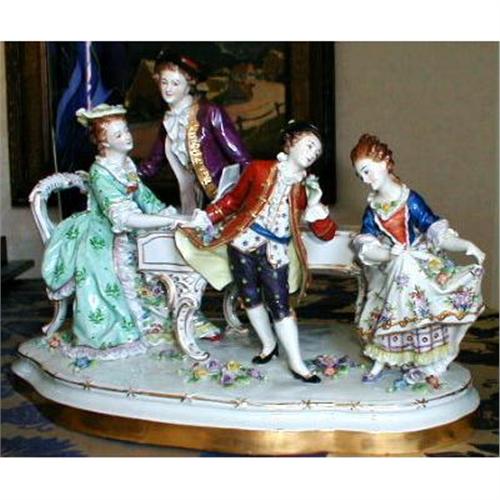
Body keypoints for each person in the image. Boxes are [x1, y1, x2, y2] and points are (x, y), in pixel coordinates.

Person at [42, 104, 208, 360]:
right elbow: (123, 217)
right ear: (104, 143)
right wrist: (171, 221)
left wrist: (177, 217)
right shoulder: (100, 173)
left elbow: (146, 199)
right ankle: (120, 330)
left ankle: (166, 320)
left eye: (126, 131)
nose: (127, 137)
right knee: (107, 278)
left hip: (128, 231)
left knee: (157, 257)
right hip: (103, 237)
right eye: (118, 134)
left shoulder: (126, 165)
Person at [176, 121, 337, 383]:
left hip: (276, 250)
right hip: (242, 242)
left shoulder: (308, 189)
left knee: (280, 304)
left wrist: (318, 215)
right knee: (249, 296)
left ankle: (296, 362)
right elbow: (233, 201)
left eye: (317, 152)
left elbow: (326, 233)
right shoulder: (259, 169)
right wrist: (208, 216)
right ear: (290, 142)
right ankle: (268, 344)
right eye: (309, 145)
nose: (312, 154)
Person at [351, 133, 485, 384]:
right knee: (397, 279)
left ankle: (429, 361)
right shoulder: (373, 208)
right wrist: (387, 253)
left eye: (367, 171)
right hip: (392, 266)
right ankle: (384, 356)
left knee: (415, 284)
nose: (366, 180)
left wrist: (465, 245)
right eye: (361, 176)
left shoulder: (409, 199)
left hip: (417, 263)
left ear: (384, 161)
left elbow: (434, 230)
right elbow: (366, 243)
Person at [138, 50, 252, 214]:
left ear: (188, 85)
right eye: (164, 82)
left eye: (175, 83)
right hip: (192, 197)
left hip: (221, 194)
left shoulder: (210, 112)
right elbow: (152, 164)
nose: (168, 89)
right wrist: (123, 176)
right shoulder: (168, 123)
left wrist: (248, 193)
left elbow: (241, 158)